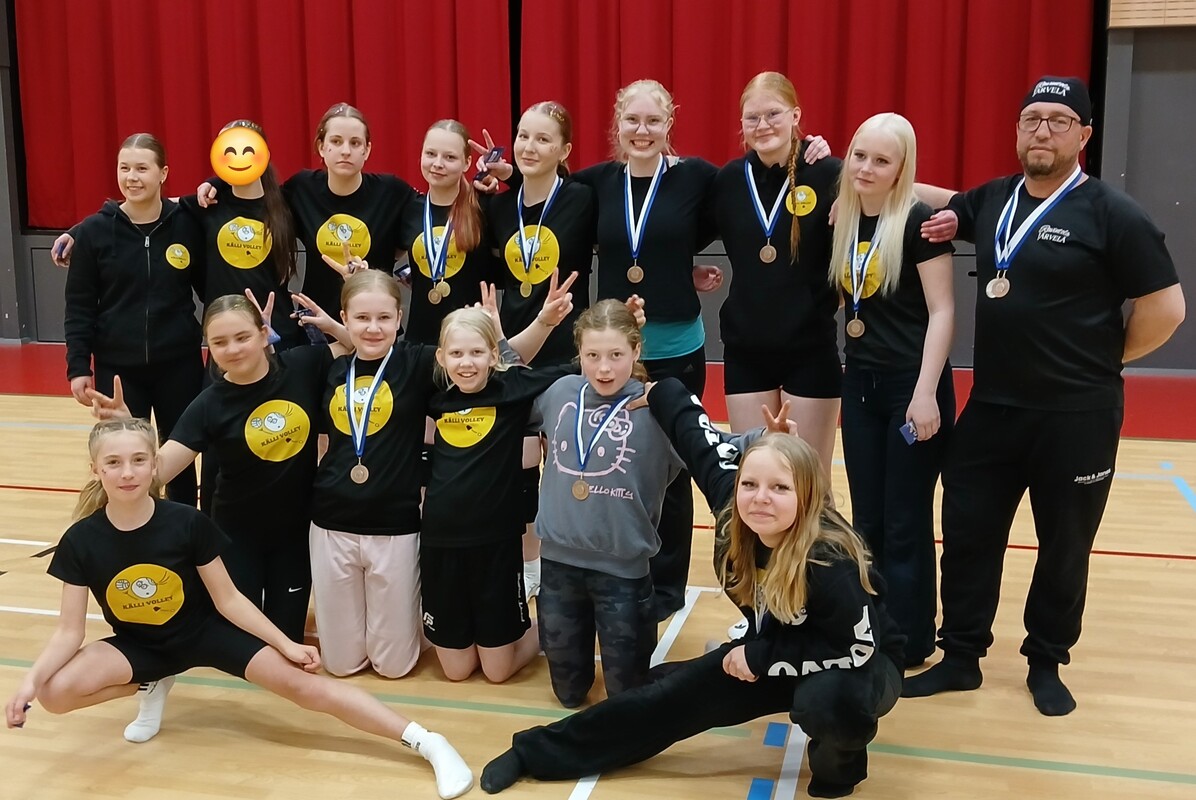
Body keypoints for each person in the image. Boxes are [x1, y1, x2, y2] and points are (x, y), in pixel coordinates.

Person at [904, 76, 1185, 715]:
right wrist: (853, 168)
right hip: (993, 409)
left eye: (1059, 121)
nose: (1043, 131)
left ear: (1083, 135)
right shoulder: (994, 199)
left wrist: (1107, 359)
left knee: (1064, 545)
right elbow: (937, 198)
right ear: (1017, 130)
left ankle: (1046, 661)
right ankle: (961, 657)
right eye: (1032, 118)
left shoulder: (1114, 214)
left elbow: (1167, 308)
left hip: (1078, 416)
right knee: (968, 535)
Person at [4, 418, 473, 800]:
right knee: (55, 693)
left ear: (155, 466)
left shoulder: (187, 522)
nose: (127, 472)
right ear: (95, 469)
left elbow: (228, 599)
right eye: (114, 462)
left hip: (204, 633)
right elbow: (68, 632)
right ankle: (150, 681)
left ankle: (427, 741)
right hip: (138, 644)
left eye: (138, 460)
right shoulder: (81, 541)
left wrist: (286, 644)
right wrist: (29, 682)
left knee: (306, 688)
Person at [480, 379, 905, 798]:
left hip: (859, 661)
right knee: (663, 698)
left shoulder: (829, 561)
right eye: (750, 484)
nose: (760, 497)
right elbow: (694, 432)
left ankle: (840, 769)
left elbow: (856, 646)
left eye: (780, 487)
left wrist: (759, 656)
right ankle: (532, 754)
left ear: (807, 495)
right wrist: (660, 391)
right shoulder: (734, 515)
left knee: (828, 701)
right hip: (774, 646)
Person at [309, 269, 572, 679]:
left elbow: (499, 359)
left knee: (486, 670)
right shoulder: (348, 370)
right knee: (448, 669)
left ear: (400, 317)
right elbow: (370, 343)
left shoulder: (428, 367)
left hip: (471, 536)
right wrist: (334, 329)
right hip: (430, 536)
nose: (373, 327)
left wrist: (539, 323)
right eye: (361, 318)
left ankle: (545, 628)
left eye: (384, 317)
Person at [87, 291, 352, 642]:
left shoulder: (303, 365)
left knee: (287, 637)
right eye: (220, 342)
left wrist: (333, 325)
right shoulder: (208, 405)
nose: (233, 349)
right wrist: (128, 429)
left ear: (264, 334)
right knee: (242, 640)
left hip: (296, 534)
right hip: (236, 535)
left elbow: (356, 345)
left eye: (243, 337)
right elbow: (160, 469)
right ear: (209, 348)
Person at [830, 113, 954, 668]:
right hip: (860, 384)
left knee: (905, 519)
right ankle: (874, 629)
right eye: (859, 155)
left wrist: (925, 393)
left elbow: (943, 312)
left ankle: (912, 640)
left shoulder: (920, 223)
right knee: (868, 518)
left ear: (903, 168)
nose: (865, 168)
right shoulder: (845, 218)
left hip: (912, 386)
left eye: (882, 160)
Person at [526, 300, 684, 707]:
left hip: (623, 575)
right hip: (558, 569)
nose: (604, 369)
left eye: (616, 355)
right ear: (578, 354)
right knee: (568, 695)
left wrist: (764, 438)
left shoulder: (659, 406)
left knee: (626, 699)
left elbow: (713, 445)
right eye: (592, 356)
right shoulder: (559, 392)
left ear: (636, 350)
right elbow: (502, 387)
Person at [482, 100, 598, 601]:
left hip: (566, 352)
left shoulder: (582, 199)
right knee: (522, 469)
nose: (529, 147)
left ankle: (575, 564)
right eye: (523, 136)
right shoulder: (498, 207)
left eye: (543, 139)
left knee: (571, 467)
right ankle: (531, 565)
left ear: (564, 150)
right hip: (513, 352)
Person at [422, 303, 574, 683]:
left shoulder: (514, 389)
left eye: (477, 352)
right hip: (441, 543)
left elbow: (578, 367)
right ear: (441, 358)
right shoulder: (434, 398)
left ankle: (548, 624)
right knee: (456, 672)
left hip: (495, 545)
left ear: (494, 355)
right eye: (456, 353)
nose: (466, 363)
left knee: (497, 672)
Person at [714, 71, 843, 482]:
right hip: (746, 350)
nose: (763, 125)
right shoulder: (728, 181)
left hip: (810, 348)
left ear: (795, 116)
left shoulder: (827, 173)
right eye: (752, 118)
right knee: (753, 473)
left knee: (810, 479)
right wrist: (691, 271)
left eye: (773, 114)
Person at [63, 133, 205, 506]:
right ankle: (130, 528)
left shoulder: (188, 225)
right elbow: (79, 306)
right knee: (124, 457)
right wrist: (78, 367)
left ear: (163, 173)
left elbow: (211, 286)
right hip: (118, 369)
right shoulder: (93, 232)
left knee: (180, 459)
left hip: (179, 365)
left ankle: (181, 528)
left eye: (142, 168)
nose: (132, 177)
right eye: (124, 168)